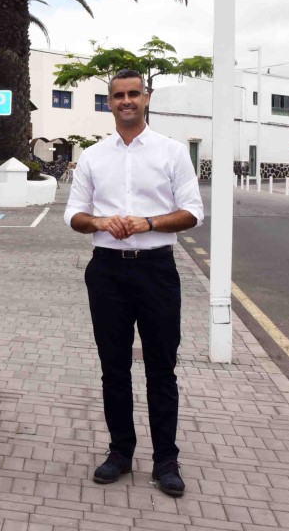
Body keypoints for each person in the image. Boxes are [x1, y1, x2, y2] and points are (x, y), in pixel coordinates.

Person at [64, 69, 203, 498]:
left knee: (162, 368)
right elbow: (74, 215)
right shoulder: (93, 156)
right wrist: (101, 221)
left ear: (146, 97)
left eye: (133, 94)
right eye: (118, 95)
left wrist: (147, 222)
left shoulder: (172, 152)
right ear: (109, 102)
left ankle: (166, 461)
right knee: (114, 367)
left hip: (156, 270)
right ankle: (121, 453)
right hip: (106, 271)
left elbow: (193, 211)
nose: (126, 101)